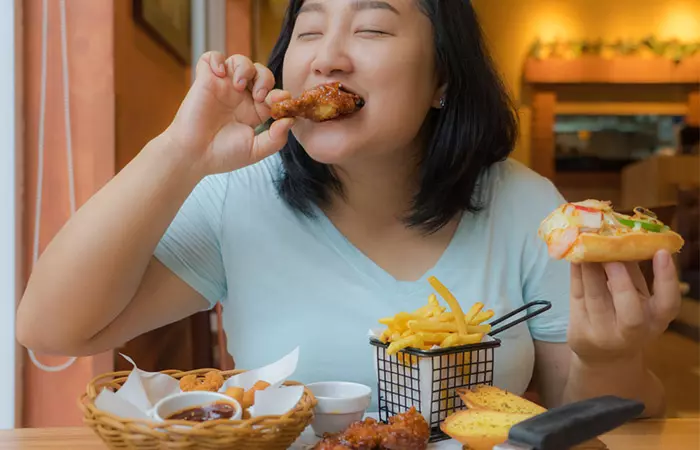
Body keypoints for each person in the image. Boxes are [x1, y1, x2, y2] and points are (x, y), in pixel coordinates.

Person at [17, 0, 679, 417]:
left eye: (370, 26)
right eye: (307, 31)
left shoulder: (527, 206)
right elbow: (52, 328)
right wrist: (180, 151)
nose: (327, 56)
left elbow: (590, 410)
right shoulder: (243, 194)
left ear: (441, 78)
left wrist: (613, 357)